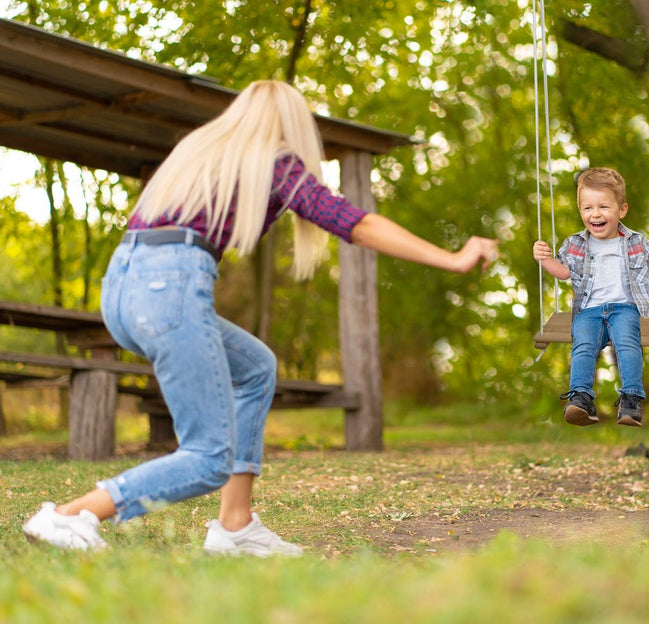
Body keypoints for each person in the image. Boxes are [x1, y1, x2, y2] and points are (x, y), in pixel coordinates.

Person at [22, 80, 499, 554]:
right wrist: (451, 257)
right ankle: (71, 515)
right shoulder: (273, 161)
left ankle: (235, 525)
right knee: (208, 457)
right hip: (169, 285)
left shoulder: (200, 153)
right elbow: (354, 223)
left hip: (124, 284)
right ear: (291, 126)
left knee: (254, 367)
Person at [533, 167, 649, 428]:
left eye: (604, 207)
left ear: (622, 210)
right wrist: (545, 259)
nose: (595, 214)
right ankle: (581, 398)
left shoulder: (637, 243)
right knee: (583, 346)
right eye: (587, 208)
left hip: (625, 309)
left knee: (628, 345)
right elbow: (562, 272)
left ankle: (631, 399)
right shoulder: (575, 243)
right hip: (588, 310)